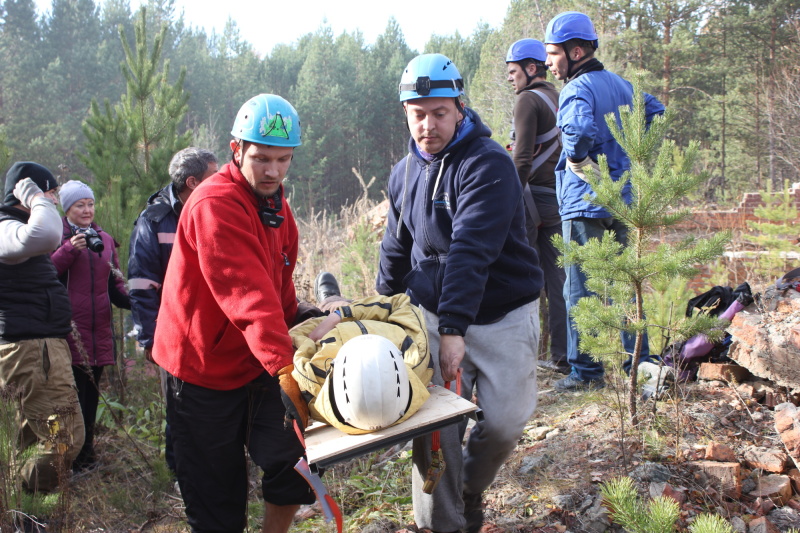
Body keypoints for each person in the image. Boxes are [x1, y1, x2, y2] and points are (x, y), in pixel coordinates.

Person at [376, 53, 544, 533]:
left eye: (440, 112)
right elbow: (394, 249)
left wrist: (455, 329)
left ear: (460, 108)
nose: (428, 125)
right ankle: (440, 524)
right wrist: (384, 316)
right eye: (418, 113)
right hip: (431, 314)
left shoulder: (488, 165)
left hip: (501, 312)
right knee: (435, 431)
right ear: (406, 113)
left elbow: (471, 251)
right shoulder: (403, 172)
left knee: (506, 424)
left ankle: (470, 489)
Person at [151, 94, 314, 533]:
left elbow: (277, 290)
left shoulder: (278, 206)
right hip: (200, 367)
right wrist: (285, 367)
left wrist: (303, 321)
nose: (273, 171)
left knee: (290, 458)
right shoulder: (214, 204)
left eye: (284, 160)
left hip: (254, 359)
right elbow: (247, 296)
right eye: (262, 158)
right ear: (236, 149)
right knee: (216, 497)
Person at [543, 12, 665, 391]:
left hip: (585, 203)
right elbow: (656, 111)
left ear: (575, 51)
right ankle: (640, 369)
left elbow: (578, 131)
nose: (549, 62)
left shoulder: (576, 89)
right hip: (624, 203)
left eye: (553, 53)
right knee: (628, 287)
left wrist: (578, 160)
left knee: (580, 289)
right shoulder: (622, 86)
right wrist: (631, 160)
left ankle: (586, 374)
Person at [128, 147, 218, 474]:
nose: (221, 180)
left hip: (216, 334)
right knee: (180, 409)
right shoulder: (153, 221)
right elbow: (141, 285)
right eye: (213, 175)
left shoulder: (216, 211)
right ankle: (183, 477)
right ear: (192, 182)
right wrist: (150, 339)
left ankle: (219, 470)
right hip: (176, 337)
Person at [0, 162, 85, 493]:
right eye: (51, 193)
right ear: (25, 193)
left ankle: (21, 515)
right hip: (32, 352)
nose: (53, 201)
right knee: (64, 439)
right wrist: (37, 196)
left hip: (36, 350)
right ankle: (23, 500)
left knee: (30, 440)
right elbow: (47, 234)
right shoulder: (7, 226)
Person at [51, 180, 130, 472]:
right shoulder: (56, 237)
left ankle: (86, 456)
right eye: (79, 205)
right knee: (71, 399)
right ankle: (66, 460)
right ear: (67, 209)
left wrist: (143, 301)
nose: (87, 210)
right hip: (69, 332)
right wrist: (68, 250)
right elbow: (47, 273)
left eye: (90, 204)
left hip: (98, 334)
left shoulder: (105, 239)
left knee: (91, 396)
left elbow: (115, 287)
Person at [505, 38, 569, 374]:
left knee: (521, 279)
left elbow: (523, 158)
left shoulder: (527, 99)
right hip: (557, 199)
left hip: (530, 202)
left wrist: (507, 200)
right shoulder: (555, 97)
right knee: (558, 283)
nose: (510, 77)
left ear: (531, 68)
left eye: (514, 71)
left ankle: (522, 357)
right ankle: (562, 355)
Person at [290, 291, 433, 435]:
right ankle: (332, 296)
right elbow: (399, 303)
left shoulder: (314, 377)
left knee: (308, 311)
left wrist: (327, 321)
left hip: (321, 324)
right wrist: (342, 314)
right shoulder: (415, 358)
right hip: (362, 311)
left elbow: (296, 339)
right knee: (338, 304)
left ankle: (328, 297)